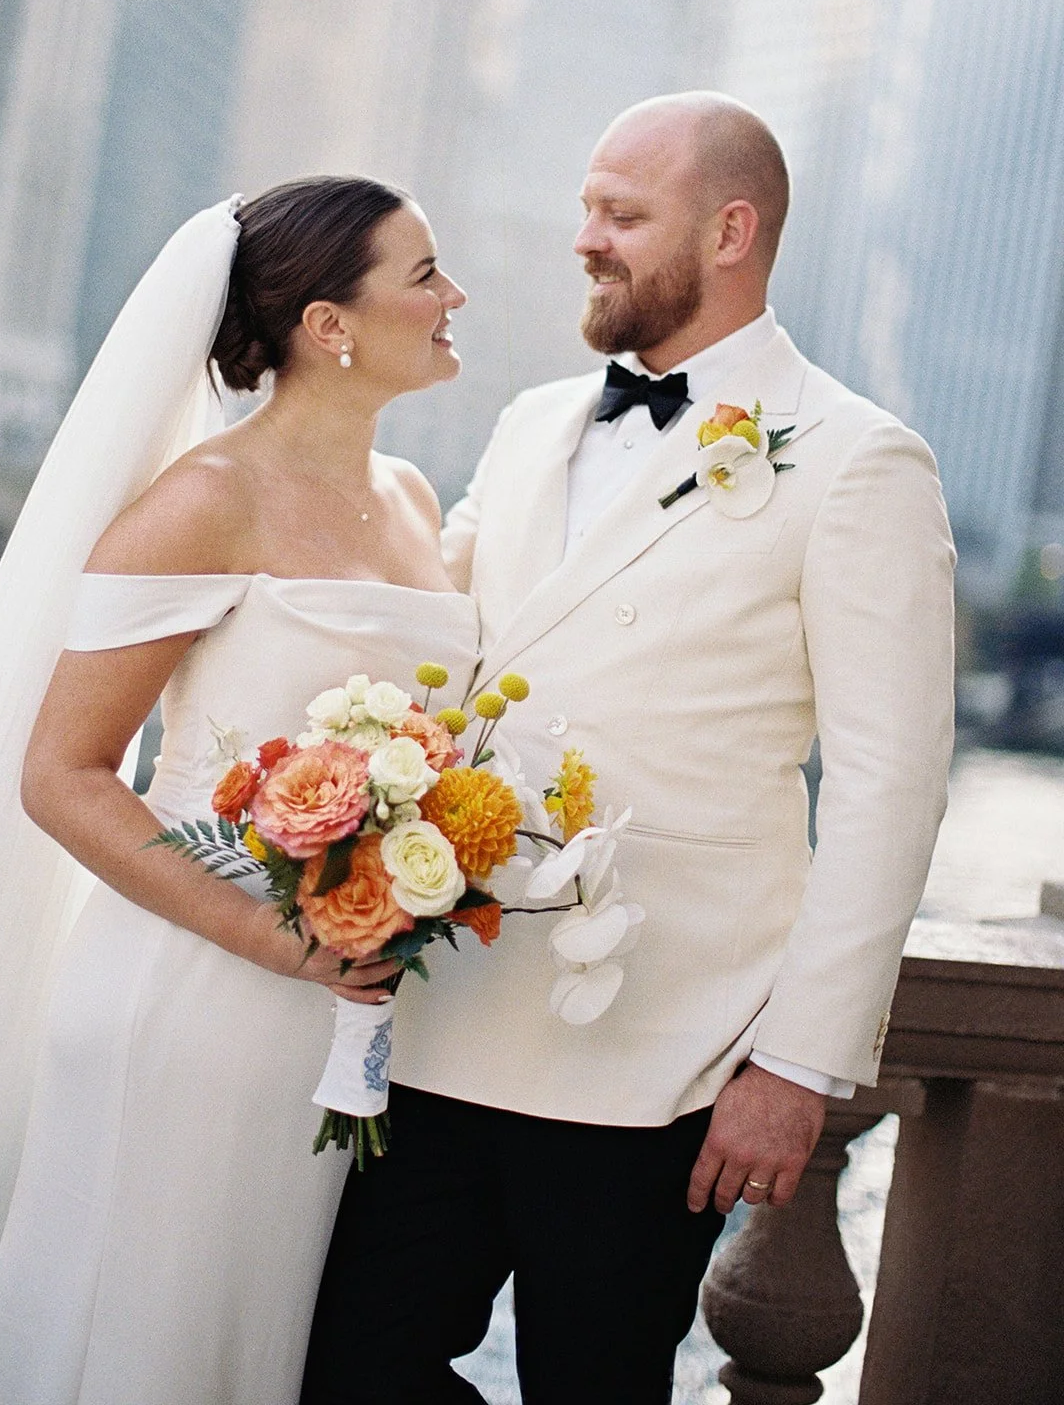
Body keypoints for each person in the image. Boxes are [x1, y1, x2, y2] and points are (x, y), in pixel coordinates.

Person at [301, 93, 957, 1404]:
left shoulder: (858, 460)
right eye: (585, 207)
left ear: (730, 231)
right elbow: (436, 631)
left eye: (621, 213)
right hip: (446, 1006)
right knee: (346, 1365)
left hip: (664, 1052)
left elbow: (890, 786)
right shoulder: (535, 419)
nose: (586, 239)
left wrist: (798, 1065)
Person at [0, 177, 474, 1405]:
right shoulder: (205, 500)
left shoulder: (413, 501)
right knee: (135, 1346)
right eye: (423, 274)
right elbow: (62, 773)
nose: (453, 297)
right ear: (328, 325)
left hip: (338, 1012)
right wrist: (269, 933)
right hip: (190, 997)